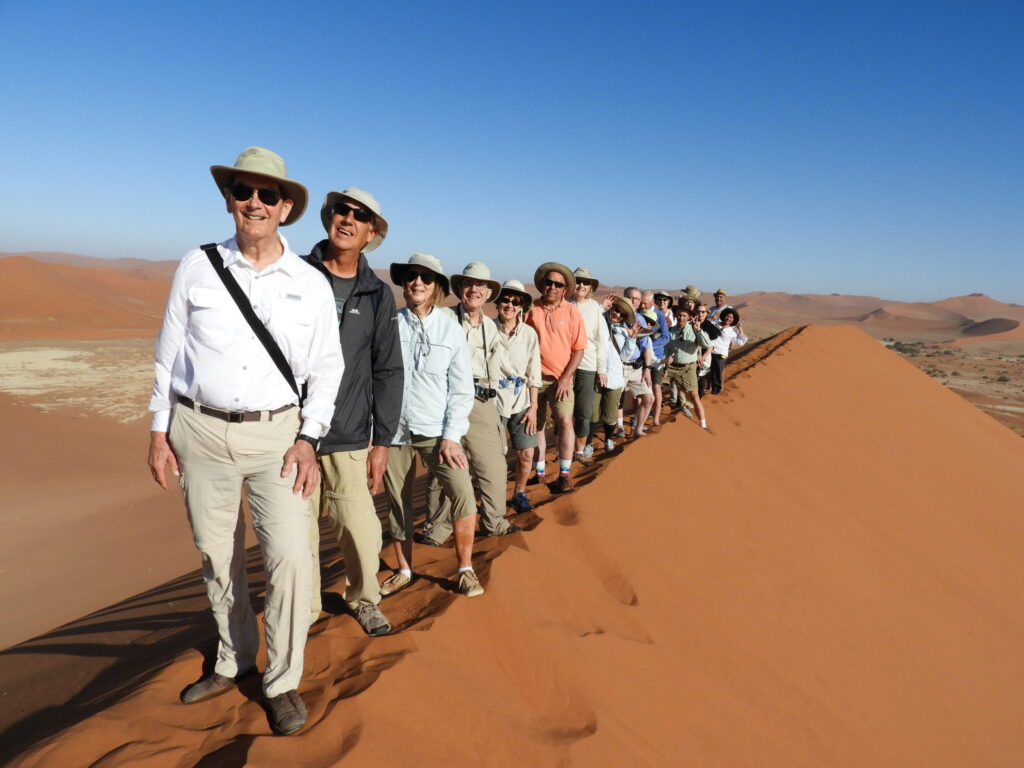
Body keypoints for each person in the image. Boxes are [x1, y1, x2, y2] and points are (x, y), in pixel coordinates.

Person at [147, 147, 344, 735]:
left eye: (266, 195)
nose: (253, 203)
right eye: (242, 191)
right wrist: (160, 430)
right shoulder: (197, 265)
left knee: (287, 559)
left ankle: (282, 682)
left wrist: (310, 437)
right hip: (199, 430)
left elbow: (327, 369)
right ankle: (233, 660)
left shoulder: (308, 283)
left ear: (286, 208)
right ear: (229, 200)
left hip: (279, 436)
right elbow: (168, 354)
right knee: (217, 554)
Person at [302, 187, 402, 637]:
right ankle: (302, 612)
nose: (347, 219)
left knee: (362, 531)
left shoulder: (378, 295)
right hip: (293, 433)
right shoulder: (295, 275)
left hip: (347, 433)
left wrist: (382, 442)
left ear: (370, 234)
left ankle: (363, 598)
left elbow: (388, 370)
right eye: (341, 210)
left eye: (359, 216)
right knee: (296, 538)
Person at [381, 253, 484, 598]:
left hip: (436, 431)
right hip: (394, 431)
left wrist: (451, 437)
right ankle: (404, 570)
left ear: (436, 286)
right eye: (412, 276)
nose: (417, 283)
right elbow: (375, 378)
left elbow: (461, 388)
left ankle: (466, 569)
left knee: (462, 492)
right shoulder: (390, 324)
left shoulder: (450, 329)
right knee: (398, 502)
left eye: (426, 278)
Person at [420, 262, 520, 544]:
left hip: (482, 402)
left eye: (480, 285)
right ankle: (437, 530)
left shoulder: (490, 326)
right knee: (444, 467)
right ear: (460, 289)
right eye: (468, 284)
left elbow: (499, 369)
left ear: (489, 293)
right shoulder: (443, 318)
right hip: (446, 400)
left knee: (493, 467)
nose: (474, 289)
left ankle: (494, 523)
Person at [524, 262, 587, 493]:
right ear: (542, 285)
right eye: (548, 282)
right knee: (537, 424)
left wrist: (565, 377)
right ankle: (539, 473)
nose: (552, 287)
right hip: (533, 379)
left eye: (557, 284)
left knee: (565, 420)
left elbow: (579, 349)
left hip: (561, 378)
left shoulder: (572, 312)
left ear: (565, 289)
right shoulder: (531, 309)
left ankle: (564, 474)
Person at [493, 279, 541, 514]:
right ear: (497, 302)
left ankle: (519, 493)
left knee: (526, 453)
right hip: (494, 402)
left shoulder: (530, 334)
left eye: (516, 301)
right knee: (495, 458)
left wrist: (533, 407)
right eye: (505, 299)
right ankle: (494, 500)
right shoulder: (487, 330)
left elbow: (534, 373)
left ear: (522, 306)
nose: (510, 305)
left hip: (521, 401)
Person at [569, 267, 608, 466]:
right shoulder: (565, 305)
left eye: (586, 282)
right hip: (564, 366)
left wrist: (602, 368)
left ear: (591, 287)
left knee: (583, 410)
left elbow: (602, 340)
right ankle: (564, 450)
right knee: (564, 411)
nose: (582, 285)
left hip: (587, 364)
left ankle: (579, 450)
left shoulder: (595, 308)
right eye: (578, 281)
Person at [590, 296, 637, 453]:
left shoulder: (624, 331)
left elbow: (624, 357)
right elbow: (588, 319)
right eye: (617, 310)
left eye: (622, 314)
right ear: (612, 307)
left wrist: (631, 340)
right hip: (595, 374)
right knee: (592, 414)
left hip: (615, 377)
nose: (617, 315)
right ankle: (588, 444)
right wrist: (601, 307)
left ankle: (608, 439)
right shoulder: (599, 320)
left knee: (610, 414)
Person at [664, 306, 711, 429]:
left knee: (694, 395)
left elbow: (707, 344)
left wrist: (699, 330)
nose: (681, 317)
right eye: (679, 315)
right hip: (671, 367)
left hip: (688, 368)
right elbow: (665, 348)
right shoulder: (670, 331)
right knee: (654, 387)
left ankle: (703, 424)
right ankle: (652, 418)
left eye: (684, 315)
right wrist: (664, 363)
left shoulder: (695, 329)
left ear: (689, 317)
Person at [619, 286, 656, 437]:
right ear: (626, 298)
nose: (635, 301)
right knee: (616, 400)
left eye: (637, 299)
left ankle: (638, 429)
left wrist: (647, 369)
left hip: (636, 368)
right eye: (632, 298)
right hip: (619, 366)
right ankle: (619, 429)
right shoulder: (616, 315)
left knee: (649, 398)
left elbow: (646, 346)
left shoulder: (640, 319)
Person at [640, 290, 671, 427]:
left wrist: (650, 346)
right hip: (641, 357)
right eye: (641, 303)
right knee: (642, 389)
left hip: (657, 357)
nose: (642, 305)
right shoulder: (639, 313)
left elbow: (666, 337)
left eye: (644, 303)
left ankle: (656, 418)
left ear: (652, 302)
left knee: (656, 387)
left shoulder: (659, 315)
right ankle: (639, 419)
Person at [707, 307, 749, 394]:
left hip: (720, 355)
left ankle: (716, 391)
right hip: (709, 352)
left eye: (731, 317)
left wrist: (740, 329)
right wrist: (711, 318)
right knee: (706, 371)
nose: (728, 318)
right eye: (727, 316)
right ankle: (707, 387)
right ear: (724, 316)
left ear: (733, 320)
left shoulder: (732, 331)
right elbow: (706, 325)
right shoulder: (715, 324)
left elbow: (740, 342)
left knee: (717, 373)